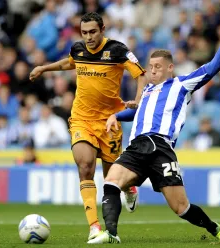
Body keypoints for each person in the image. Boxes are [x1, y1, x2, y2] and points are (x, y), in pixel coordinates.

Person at [88, 5, 220, 244]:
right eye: (150, 67)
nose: (152, 71)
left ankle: (215, 228)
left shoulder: (182, 85)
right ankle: (111, 234)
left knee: (182, 208)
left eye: (158, 67)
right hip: (138, 146)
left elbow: (214, 66)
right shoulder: (146, 92)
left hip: (161, 148)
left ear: (170, 68)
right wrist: (116, 116)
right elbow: (136, 115)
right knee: (110, 181)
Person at [29, 12, 147, 241]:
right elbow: (68, 63)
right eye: (84, 33)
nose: (88, 37)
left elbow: (140, 74)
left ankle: (129, 189)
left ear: (102, 29)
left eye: (93, 32)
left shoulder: (118, 50)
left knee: (113, 179)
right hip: (82, 119)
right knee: (85, 166)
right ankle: (94, 226)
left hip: (110, 121)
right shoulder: (78, 48)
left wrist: (139, 97)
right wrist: (44, 68)